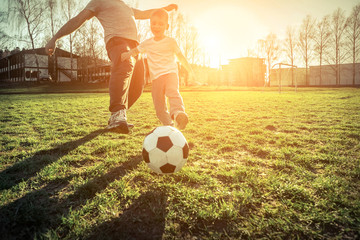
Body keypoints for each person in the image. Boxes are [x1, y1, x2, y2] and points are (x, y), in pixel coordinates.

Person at [44, 0, 178, 134]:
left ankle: (119, 114)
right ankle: (117, 113)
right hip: (117, 41)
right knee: (124, 65)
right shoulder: (99, 2)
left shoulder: (126, 7)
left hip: (134, 47)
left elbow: (145, 14)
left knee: (138, 85)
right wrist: (55, 38)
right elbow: (77, 20)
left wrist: (165, 9)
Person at [121, 9, 194, 130]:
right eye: (153, 23)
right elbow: (136, 51)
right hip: (156, 79)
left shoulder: (171, 42)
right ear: (150, 25)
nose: (157, 26)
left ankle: (179, 114)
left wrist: (190, 70)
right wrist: (126, 54)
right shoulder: (147, 43)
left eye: (160, 24)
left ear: (167, 26)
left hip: (170, 74)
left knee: (172, 92)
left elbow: (181, 56)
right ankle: (169, 126)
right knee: (159, 107)